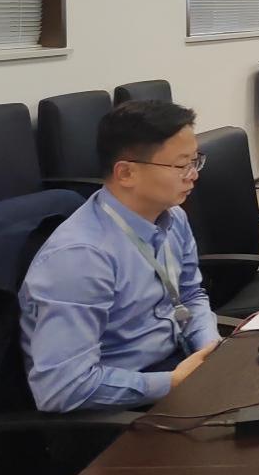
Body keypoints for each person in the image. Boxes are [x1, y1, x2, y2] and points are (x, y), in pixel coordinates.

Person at [18, 101, 219, 412]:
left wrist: (210, 348)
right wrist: (173, 382)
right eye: (181, 166)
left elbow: (190, 295)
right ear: (126, 173)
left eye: (196, 161)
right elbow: (62, 388)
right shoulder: (80, 258)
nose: (193, 175)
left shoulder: (172, 217)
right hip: (117, 406)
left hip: (176, 363)